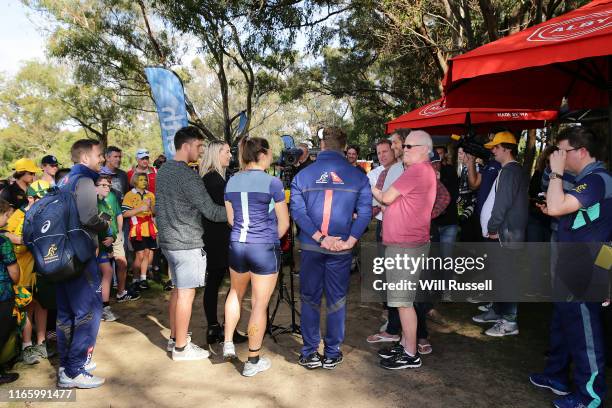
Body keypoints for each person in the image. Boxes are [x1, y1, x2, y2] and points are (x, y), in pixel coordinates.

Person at [530, 126, 610, 408]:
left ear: (582, 151)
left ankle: (590, 396)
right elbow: (563, 209)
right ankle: (557, 376)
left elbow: (556, 207)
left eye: (563, 151)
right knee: (564, 323)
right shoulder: (584, 179)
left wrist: (555, 173)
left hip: (586, 270)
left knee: (585, 333)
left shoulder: (598, 180)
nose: (558, 156)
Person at [291, 126, 371, 370]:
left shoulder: (302, 175)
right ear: (345, 148)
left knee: (310, 298)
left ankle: (309, 352)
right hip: (341, 248)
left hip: (312, 247)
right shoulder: (358, 176)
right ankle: (332, 352)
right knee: (336, 300)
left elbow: (297, 210)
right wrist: (351, 240)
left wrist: (318, 237)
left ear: (322, 145)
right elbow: (366, 211)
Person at [156, 126, 227, 361]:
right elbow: (212, 212)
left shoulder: (163, 170)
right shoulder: (187, 175)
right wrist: (238, 211)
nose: (200, 151)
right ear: (186, 146)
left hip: (168, 242)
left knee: (178, 291)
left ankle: (175, 338)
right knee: (186, 295)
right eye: (198, 146)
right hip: (186, 243)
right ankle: (181, 348)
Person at [222, 136, 290, 377]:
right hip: (263, 247)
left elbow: (231, 220)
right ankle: (252, 361)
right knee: (259, 305)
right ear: (263, 153)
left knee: (235, 293)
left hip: (237, 245)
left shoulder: (231, 181)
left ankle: (228, 341)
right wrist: (269, 239)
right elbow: (284, 223)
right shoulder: (273, 182)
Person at [371, 130, 436, 370]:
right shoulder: (423, 171)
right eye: (404, 146)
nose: (404, 149)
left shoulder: (418, 170)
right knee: (403, 301)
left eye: (409, 146)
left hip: (405, 246)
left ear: (423, 149)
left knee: (403, 302)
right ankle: (406, 344)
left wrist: (372, 188)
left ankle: (410, 353)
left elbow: (386, 197)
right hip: (408, 244)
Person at [56, 139, 109, 388]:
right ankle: (75, 369)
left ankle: (67, 366)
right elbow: (89, 218)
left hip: (61, 258)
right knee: (88, 311)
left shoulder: (63, 180)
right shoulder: (85, 180)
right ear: (85, 158)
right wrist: (105, 223)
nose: (102, 159)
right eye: (99, 155)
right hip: (80, 257)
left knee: (66, 314)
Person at [472, 131, 527, 337]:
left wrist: (493, 228)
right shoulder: (509, 170)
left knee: (507, 277)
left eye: (495, 147)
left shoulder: (510, 171)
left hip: (505, 235)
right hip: (503, 234)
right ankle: (497, 311)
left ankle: (509, 321)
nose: (492, 150)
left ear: (507, 148)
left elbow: (502, 204)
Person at [199, 140, 246, 344]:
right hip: (222, 237)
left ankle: (215, 327)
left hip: (214, 237)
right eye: (227, 152)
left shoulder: (213, 178)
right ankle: (227, 328)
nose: (230, 155)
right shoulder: (215, 181)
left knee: (214, 282)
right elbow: (228, 212)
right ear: (216, 154)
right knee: (234, 284)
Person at [4, 180, 52, 364]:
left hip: (42, 269)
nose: (46, 201)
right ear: (31, 198)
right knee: (26, 306)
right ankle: (26, 345)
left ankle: (41, 342)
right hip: (23, 270)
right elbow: (7, 235)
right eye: (42, 197)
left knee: (42, 304)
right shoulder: (18, 215)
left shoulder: (48, 214)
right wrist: (26, 240)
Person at [366, 139, 404, 344]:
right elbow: (375, 205)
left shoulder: (408, 170)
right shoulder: (380, 173)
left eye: (385, 151)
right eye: (378, 152)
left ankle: (409, 331)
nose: (381, 155)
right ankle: (393, 323)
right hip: (385, 228)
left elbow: (440, 199)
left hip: (405, 233)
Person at [101, 147, 132, 302]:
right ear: (107, 157)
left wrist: (117, 230)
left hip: (118, 223)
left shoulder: (123, 175)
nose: (118, 159)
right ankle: (102, 298)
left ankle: (121, 292)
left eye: (120, 156)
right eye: (115, 156)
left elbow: (122, 202)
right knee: (103, 265)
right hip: (101, 228)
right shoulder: (96, 174)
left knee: (122, 261)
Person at [122, 173, 157, 290]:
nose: (144, 182)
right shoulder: (129, 195)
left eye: (146, 180)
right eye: (141, 179)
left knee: (147, 253)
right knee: (140, 254)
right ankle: (135, 279)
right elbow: (125, 213)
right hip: (137, 227)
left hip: (149, 227)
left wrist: (150, 206)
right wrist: (140, 209)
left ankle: (143, 279)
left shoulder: (150, 195)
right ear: (135, 181)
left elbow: (155, 212)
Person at [0, 199, 20, 384]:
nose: (7, 220)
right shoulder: (3, 241)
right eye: (6, 216)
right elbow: (14, 272)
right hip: (3, 294)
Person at [95, 175, 119, 322]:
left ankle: (105, 307)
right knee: (95, 276)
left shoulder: (105, 204)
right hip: (92, 247)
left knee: (108, 272)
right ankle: (95, 308)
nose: (107, 188)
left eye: (108, 186)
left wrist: (112, 238)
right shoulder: (91, 203)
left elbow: (111, 226)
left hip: (104, 247)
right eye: (103, 185)